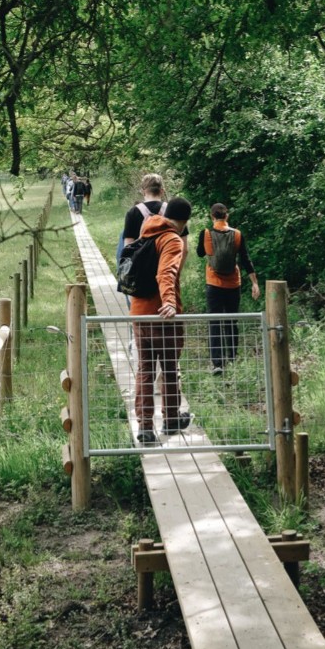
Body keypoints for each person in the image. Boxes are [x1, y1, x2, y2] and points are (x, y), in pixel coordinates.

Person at [130, 197, 193, 446]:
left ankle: (145, 427)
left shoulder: (147, 231)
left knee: (145, 369)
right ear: (185, 221)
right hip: (162, 316)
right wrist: (169, 302)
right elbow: (166, 272)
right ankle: (171, 419)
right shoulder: (172, 239)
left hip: (138, 312)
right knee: (168, 368)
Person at [195, 203, 259, 373]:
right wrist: (254, 283)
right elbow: (245, 259)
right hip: (233, 284)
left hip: (213, 283)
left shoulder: (206, 233)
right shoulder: (237, 234)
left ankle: (217, 363)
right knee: (231, 320)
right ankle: (232, 358)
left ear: (212, 216)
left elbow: (200, 253)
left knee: (214, 321)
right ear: (227, 216)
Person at [118, 174, 167, 309]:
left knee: (141, 312)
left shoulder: (133, 212)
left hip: (141, 272)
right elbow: (184, 248)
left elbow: (128, 247)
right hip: (166, 267)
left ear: (143, 191)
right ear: (162, 190)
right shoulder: (171, 210)